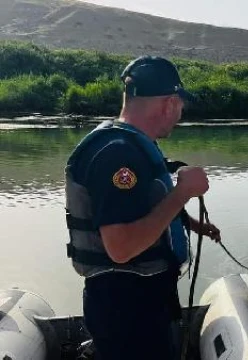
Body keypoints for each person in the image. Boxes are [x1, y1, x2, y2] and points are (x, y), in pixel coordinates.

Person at [64, 55, 220, 360]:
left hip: (140, 299)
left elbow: (142, 208)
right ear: (170, 103)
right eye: (180, 106)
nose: (180, 113)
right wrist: (183, 193)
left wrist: (191, 223)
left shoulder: (129, 144)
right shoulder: (118, 155)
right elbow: (121, 248)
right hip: (127, 307)